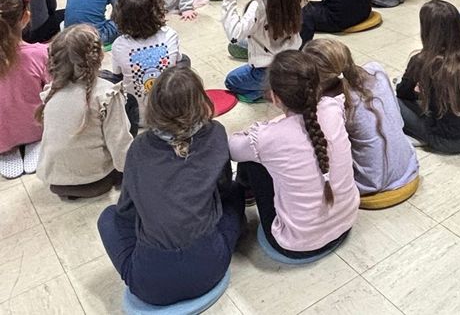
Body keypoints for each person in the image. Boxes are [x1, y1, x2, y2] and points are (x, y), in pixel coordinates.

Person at [97, 67, 244, 307]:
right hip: (212, 268)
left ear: (153, 107)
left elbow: (126, 210)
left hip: (150, 286)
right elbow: (225, 188)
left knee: (108, 217)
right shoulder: (216, 133)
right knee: (235, 194)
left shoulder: (139, 148)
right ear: (201, 102)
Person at [229, 50, 359, 261]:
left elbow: (232, 149)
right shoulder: (333, 108)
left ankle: (246, 194)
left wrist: (262, 128)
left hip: (296, 244)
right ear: (318, 86)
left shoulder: (266, 138)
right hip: (346, 222)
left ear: (275, 97)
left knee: (252, 160)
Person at [303, 39, 419, 197]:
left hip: (371, 182)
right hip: (407, 162)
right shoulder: (376, 70)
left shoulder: (332, 106)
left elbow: (335, 155)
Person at [36, 24, 134, 198]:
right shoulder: (107, 93)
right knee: (131, 105)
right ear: (99, 56)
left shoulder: (50, 91)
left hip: (55, 181)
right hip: (97, 180)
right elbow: (119, 142)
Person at [396, 0, 460, 154]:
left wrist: (418, 89)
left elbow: (403, 93)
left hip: (448, 141)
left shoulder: (422, 61)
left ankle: (417, 137)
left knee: (392, 101)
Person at [221, 0, 321, 102]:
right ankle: (276, 83)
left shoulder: (258, 6)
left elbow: (235, 34)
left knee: (230, 80)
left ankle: (268, 91)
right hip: (290, 58)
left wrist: (229, 0)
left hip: (267, 69)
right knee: (236, 47)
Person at [0, 0, 49, 179]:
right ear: (26, 17)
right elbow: (52, 91)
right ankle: (32, 139)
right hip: (35, 127)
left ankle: (7, 145)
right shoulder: (40, 53)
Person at [109, 0, 183, 108]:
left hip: (137, 116)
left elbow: (117, 75)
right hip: (170, 112)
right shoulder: (170, 35)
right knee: (184, 60)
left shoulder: (118, 45)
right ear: (157, 10)